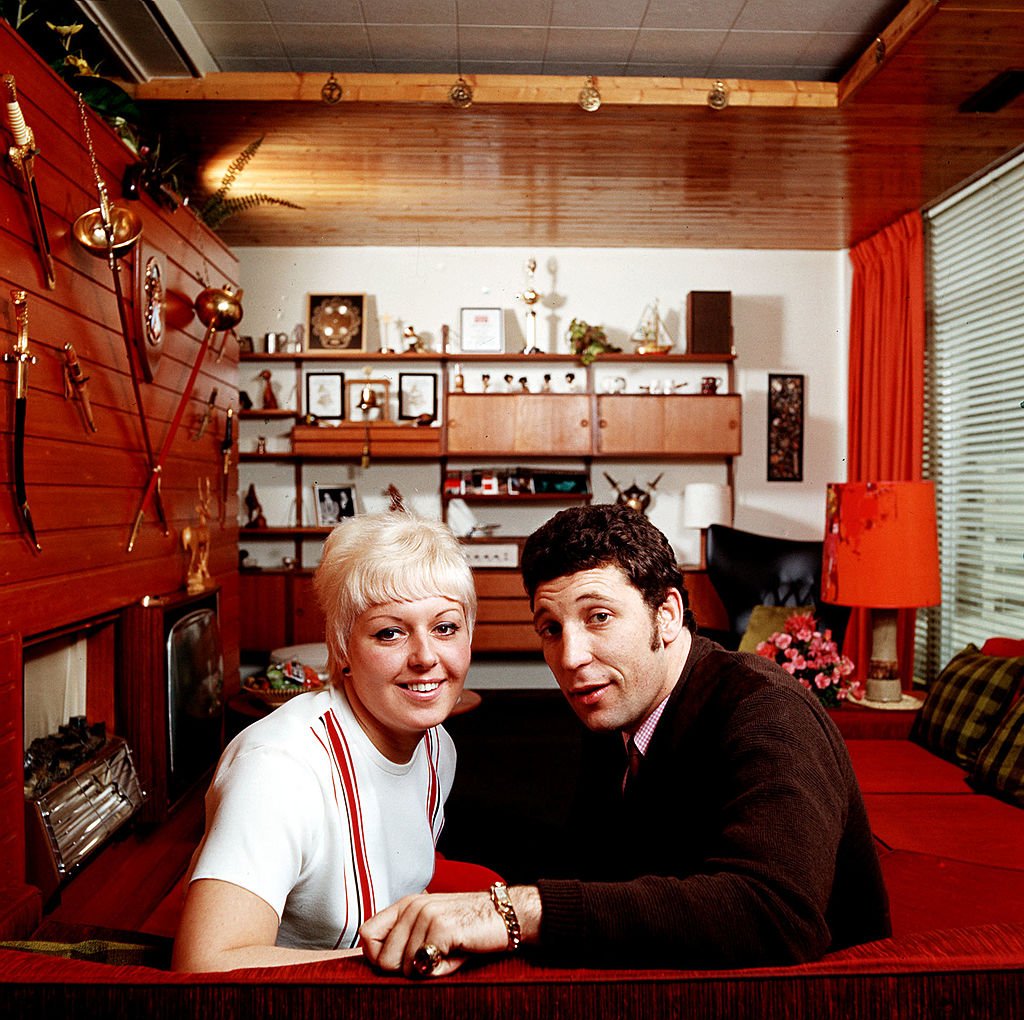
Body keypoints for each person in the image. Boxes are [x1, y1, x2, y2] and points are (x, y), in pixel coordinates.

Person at [360, 504, 890, 977]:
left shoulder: (766, 712)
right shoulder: (618, 709)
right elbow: (598, 875)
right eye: (551, 628)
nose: (570, 658)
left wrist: (509, 913)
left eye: (600, 617)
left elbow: (777, 913)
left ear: (667, 615)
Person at [172, 512, 476, 971]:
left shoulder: (437, 745)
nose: (425, 657)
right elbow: (204, 965)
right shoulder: (278, 769)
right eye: (389, 632)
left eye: (446, 627)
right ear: (341, 650)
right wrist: (404, 961)